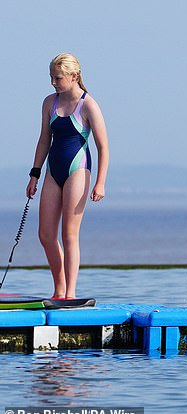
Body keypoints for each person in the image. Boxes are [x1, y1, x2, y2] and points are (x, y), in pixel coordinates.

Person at [26, 53, 110, 300]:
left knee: (69, 234)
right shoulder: (49, 102)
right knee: (45, 235)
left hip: (78, 170)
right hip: (53, 170)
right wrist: (34, 174)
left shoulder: (88, 105)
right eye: (51, 77)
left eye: (58, 77)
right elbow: (44, 138)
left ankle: (70, 293)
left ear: (74, 77)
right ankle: (59, 288)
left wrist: (100, 182)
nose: (53, 82)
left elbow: (103, 147)